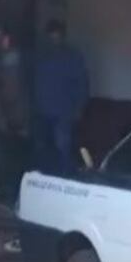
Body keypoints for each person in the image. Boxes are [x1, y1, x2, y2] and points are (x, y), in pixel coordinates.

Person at [33, 20, 89, 177]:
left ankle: (64, 178)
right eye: (51, 38)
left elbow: (82, 84)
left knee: (63, 147)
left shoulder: (73, 57)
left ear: (63, 37)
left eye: (56, 37)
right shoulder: (41, 56)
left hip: (64, 111)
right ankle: (43, 178)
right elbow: (34, 82)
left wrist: (79, 108)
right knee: (42, 148)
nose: (54, 41)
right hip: (43, 110)